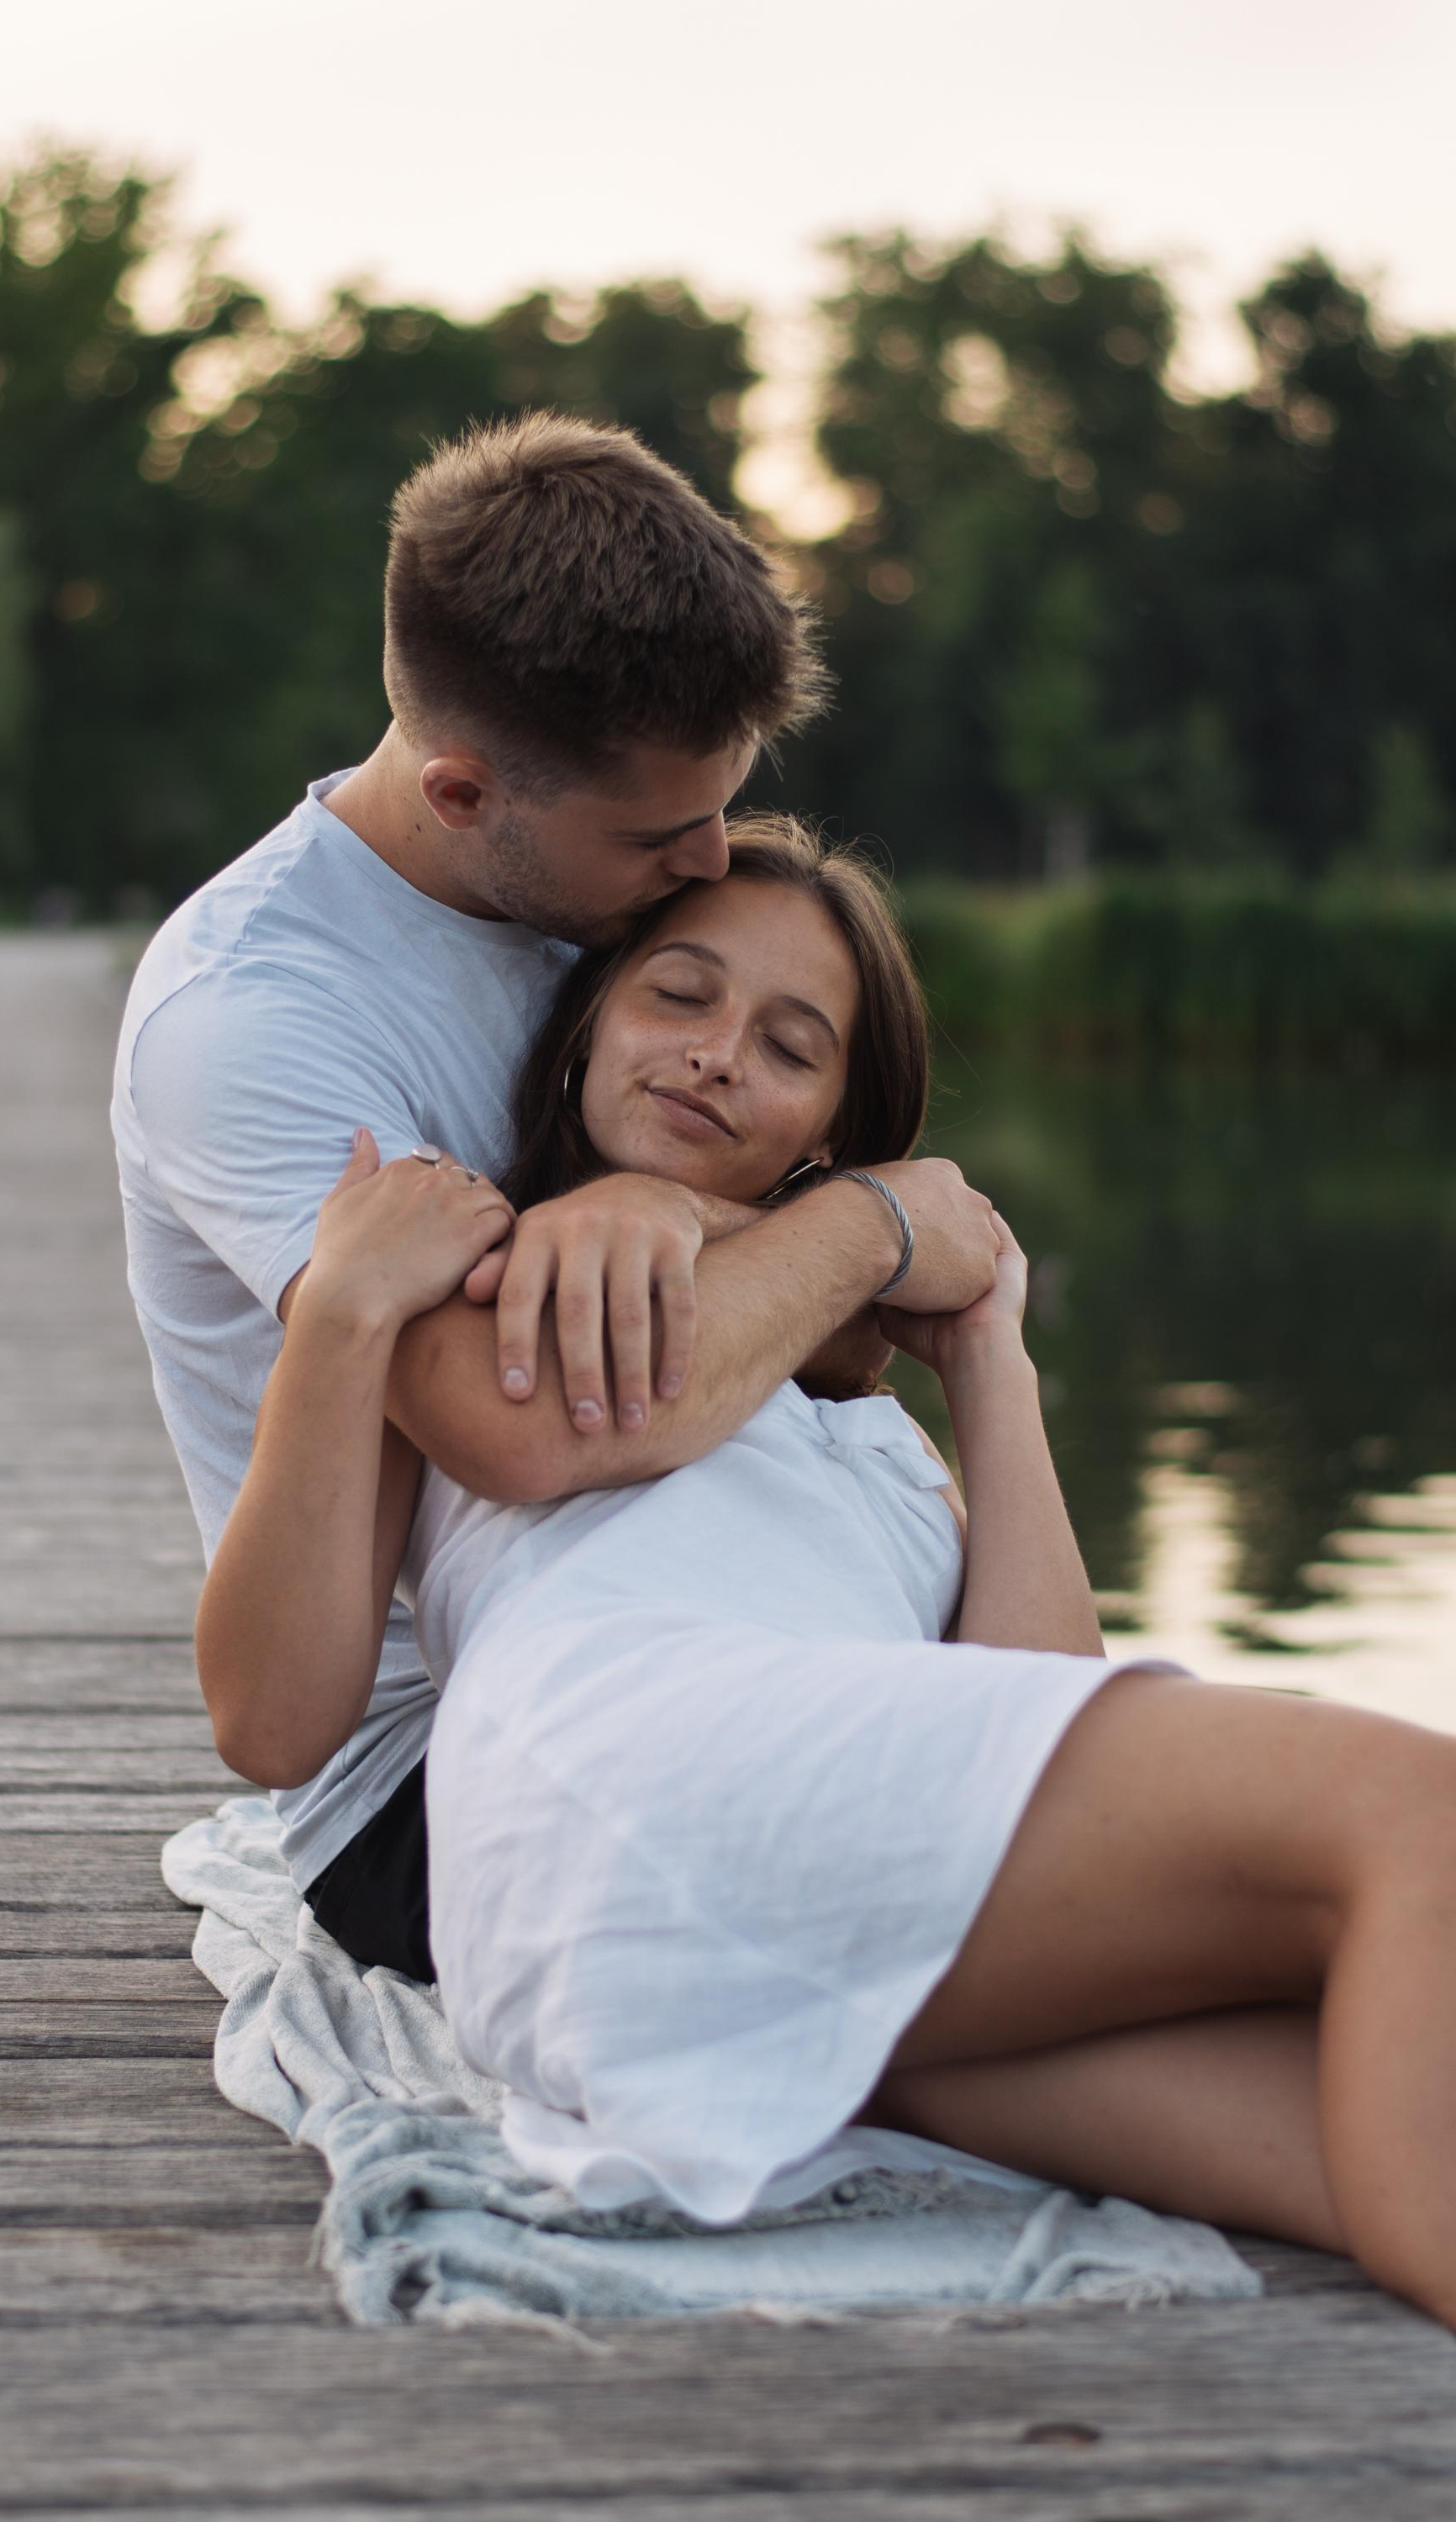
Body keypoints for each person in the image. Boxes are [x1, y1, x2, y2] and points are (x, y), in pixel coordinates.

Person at [198, 815, 1456, 2331]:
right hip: (631, 1767)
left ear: (831, 1128)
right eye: (679, 995)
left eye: (789, 1044)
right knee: (1417, 1817)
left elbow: (1034, 1705)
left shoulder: (860, 1413)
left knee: (1317, 2078)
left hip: (708, 1927)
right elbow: (273, 1729)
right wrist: (338, 1317)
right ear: (588, 1019)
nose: (719, 1053)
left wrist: (990, 1356)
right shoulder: (485, 1284)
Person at [113, 413, 1000, 1982]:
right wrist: (872, 1221)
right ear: (462, 795)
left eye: (727, 801)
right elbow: (537, 1418)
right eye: (663, 833)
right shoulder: (256, 1022)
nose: (716, 856)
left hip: (723, 1639)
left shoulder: (618, 920)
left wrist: (705, 1222)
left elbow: (833, 1353)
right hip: (446, 1776)